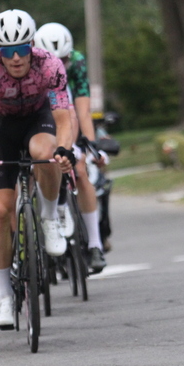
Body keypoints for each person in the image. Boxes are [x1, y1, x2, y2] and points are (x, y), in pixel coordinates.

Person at [0, 9, 75, 329]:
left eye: (22, 49)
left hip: (36, 119)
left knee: (45, 153)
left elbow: (64, 117)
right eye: (7, 51)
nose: (16, 58)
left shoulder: (50, 65)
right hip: (0, 128)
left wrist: (64, 148)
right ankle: (4, 294)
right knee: (0, 212)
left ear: (32, 45)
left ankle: (49, 216)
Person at [34, 22, 107, 273]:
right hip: (41, 119)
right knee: (41, 166)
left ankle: (95, 245)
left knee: (81, 170)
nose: (60, 65)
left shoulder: (76, 61)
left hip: (69, 114)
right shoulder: (31, 65)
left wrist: (89, 144)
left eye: (64, 59)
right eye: (54, 60)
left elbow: (82, 110)